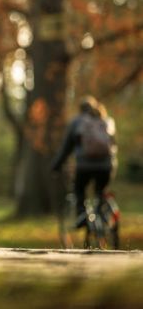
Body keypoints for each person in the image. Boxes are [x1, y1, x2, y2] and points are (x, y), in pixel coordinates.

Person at [51, 96, 115, 229]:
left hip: (85, 166)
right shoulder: (106, 120)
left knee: (79, 189)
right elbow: (113, 145)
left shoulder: (76, 122)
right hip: (106, 166)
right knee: (101, 191)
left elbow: (66, 148)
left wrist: (56, 166)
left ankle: (82, 215)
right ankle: (104, 217)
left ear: (80, 109)